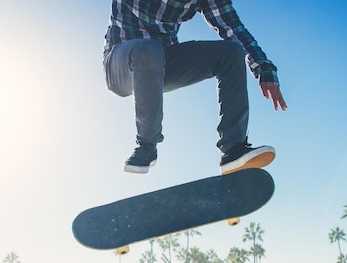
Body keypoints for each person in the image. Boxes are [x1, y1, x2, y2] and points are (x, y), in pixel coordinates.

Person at [103, 0, 287, 174]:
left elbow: (234, 29)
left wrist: (263, 67)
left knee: (231, 52)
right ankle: (146, 146)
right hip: (120, 63)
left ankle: (233, 149)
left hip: (163, 63)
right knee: (149, 49)